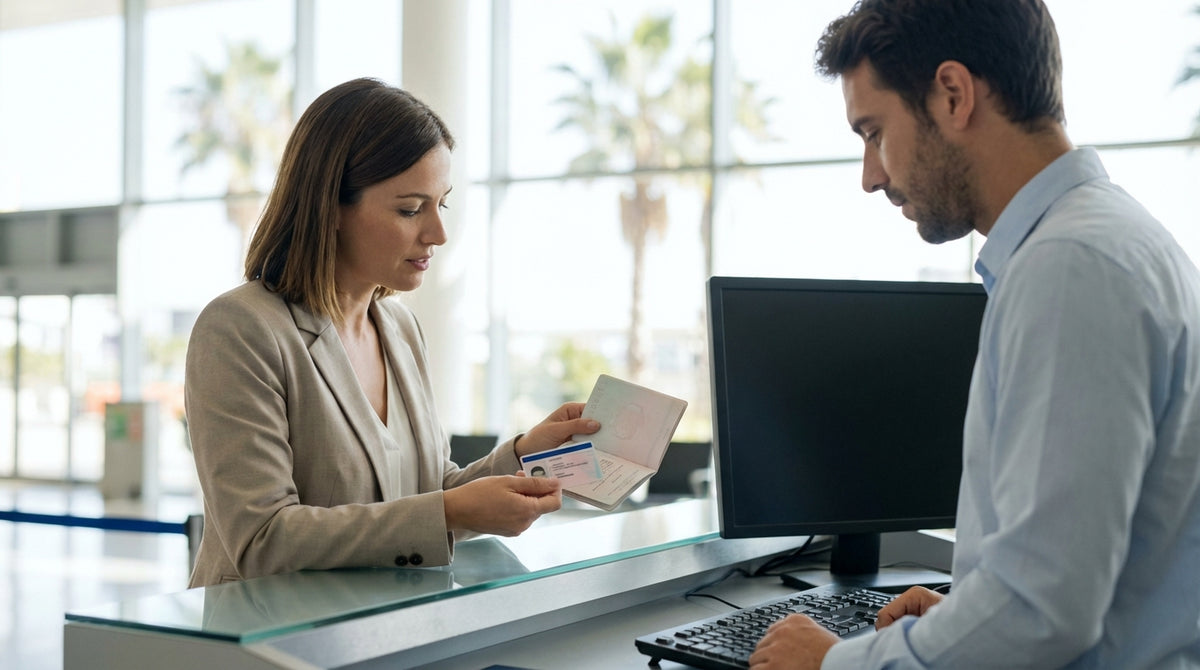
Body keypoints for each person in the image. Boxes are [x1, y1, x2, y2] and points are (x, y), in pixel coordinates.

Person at [750, 1, 1200, 668]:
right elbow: (1095, 575)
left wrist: (834, 664)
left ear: (953, 95)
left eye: (874, 132)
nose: (871, 176)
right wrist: (963, 622)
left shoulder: (1068, 267)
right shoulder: (1117, 241)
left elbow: (1040, 612)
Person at [184, 78, 599, 588]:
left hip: (381, 635)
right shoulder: (241, 329)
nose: (437, 234)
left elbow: (426, 491)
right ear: (330, 206)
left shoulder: (400, 328)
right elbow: (262, 540)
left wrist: (523, 454)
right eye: (409, 209)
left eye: (440, 204)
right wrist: (445, 510)